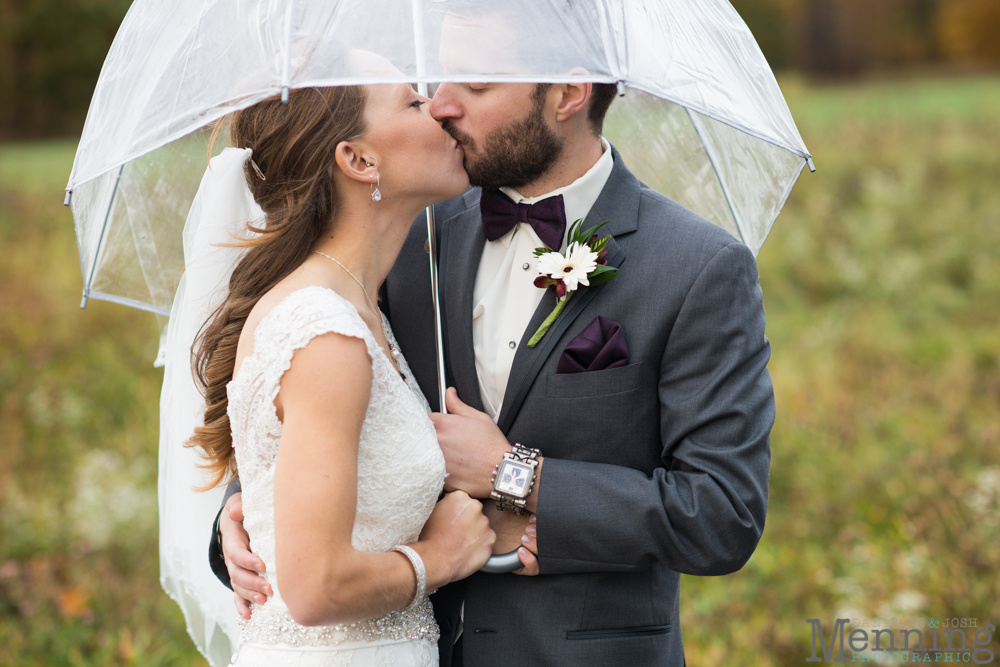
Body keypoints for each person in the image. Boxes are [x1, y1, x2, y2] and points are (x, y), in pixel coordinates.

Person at [216, 11, 774, 667]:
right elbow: (314, 401)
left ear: (567, 95)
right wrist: (240, 513)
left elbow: (722, 513)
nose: (443, 104)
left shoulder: (696, 267)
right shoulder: (407, 238)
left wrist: (519, 477)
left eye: (476, 85)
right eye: (440, 77)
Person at [187, 55, 498, 667]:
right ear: (359, 160)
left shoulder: (356, 309)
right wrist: (442, 556)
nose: (437, 108)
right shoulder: (325, 331)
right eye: (413, 102)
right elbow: (315, 587)